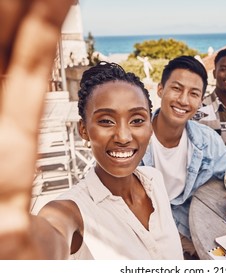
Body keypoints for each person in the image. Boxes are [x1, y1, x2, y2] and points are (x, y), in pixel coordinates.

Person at [1, 43, 183, 258]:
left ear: (150, 126)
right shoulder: (72, 211)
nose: (124, 137)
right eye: (106, 121)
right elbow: (51, 232)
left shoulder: (155, 180)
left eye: (137, 120)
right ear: (84, 130)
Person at [141, 56, 226, 258]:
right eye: (176, 88)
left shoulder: (204, 139)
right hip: (146, 235)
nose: (183, 100)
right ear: (160, 90)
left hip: (188, 227)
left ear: (200, 102)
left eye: (193, 94)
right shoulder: (135, 138)